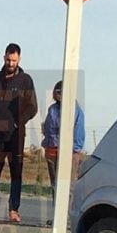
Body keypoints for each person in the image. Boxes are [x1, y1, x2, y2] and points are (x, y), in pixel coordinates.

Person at [0, 43, 38, 225]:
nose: (10, 63)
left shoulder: (26, 80)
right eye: (8, 59)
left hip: (15, 137)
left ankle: (14, 209)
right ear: (3, 57)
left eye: (13, 60)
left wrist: (16, 123)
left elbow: (32, 107)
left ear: (19, 59)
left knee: (16, 174)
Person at [41, 80, 85, 212]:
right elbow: (48, 129)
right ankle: (56, 214)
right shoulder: (52, 109)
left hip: (69, 152)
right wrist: (46, 146)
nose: (59, 95)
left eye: (62, 92)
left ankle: (68, 214)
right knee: (55, 184)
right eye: (57, 92)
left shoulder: (75, 110)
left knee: (69, 185)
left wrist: (75, 150)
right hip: (52, 150)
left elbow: (79, 130)